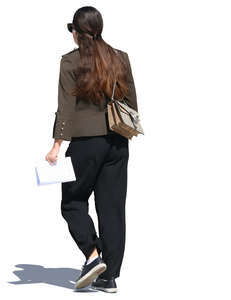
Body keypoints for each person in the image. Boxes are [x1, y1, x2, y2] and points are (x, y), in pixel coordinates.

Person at [45, 6, 138, 293]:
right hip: (117, 143)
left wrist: (56, 145)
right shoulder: (120, 58)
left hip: (85, 144)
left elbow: (66, 108)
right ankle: (109, 278)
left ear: (76, 32)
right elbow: (132, 101)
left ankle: (93, 256)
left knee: (72, 203)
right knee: (112, 209)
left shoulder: (70, 62)